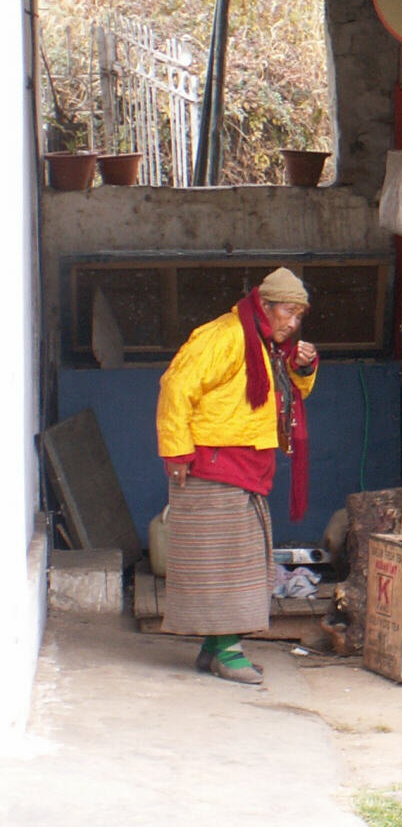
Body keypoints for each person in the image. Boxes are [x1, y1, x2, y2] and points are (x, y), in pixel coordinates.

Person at [155, 267, 318, 684]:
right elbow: (176, 386)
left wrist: (304, 367)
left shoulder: (265, 345)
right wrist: (175, 448)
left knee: (236, 563)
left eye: (299, 316)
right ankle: (227, 652)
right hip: (212, 465)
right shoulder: (223, 336)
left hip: (246, 467)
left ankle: (213, 649)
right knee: (224, 565)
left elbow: (288, 397)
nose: (292, 323)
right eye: (287, 312)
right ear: (264, 306)